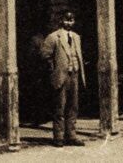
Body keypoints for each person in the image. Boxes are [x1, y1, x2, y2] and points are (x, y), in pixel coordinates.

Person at [40, 11, 87, 147]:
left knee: (73, 107)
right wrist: (53, 69)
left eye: (71, 20)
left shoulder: (77, 37)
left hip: (75, 75)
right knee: (59, 107)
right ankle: (59, 137)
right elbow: (44, 55)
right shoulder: (53, 37)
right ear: (61, 21)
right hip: (61, 76)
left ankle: (71, 136)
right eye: (66, 20)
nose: (69, 23)